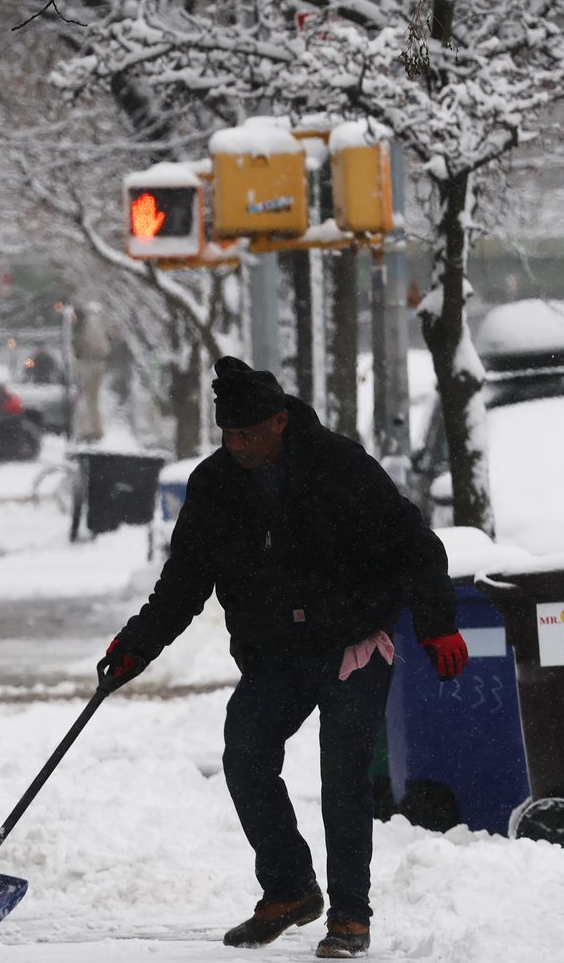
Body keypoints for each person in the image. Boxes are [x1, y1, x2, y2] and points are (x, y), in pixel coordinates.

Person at [98, 357, 465, 960]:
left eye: (249, 433)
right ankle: (290, 888)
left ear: (280, 422)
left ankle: (350, 916)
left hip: (352, 644)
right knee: (244, 755)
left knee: (343, 776)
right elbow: (185, 579)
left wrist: (437, 626)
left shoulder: (339, 466)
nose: (238, 446)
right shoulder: (215, 485)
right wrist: (137, 644)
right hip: (275, 651)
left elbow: (414, 547)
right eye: (228, 435)